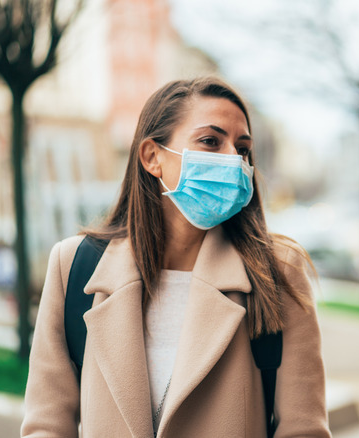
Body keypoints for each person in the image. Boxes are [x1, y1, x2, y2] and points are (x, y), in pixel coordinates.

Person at [21, 77, 332, 437]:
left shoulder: (277, 272)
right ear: (152, 157)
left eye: (243, 148)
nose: (234, 159)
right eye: (210, 142)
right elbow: (47, 425)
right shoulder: (73, 266)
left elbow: (303, 429)